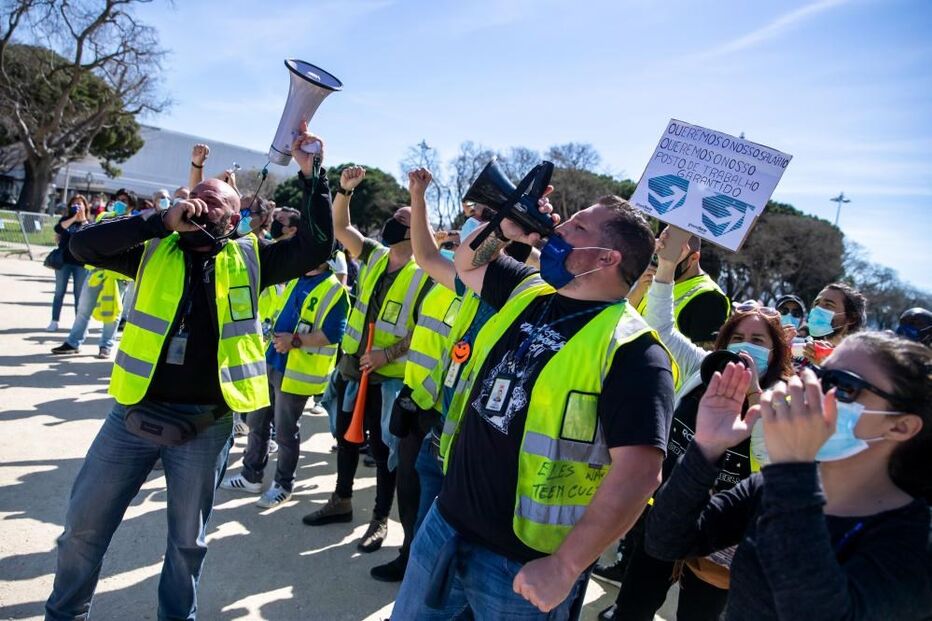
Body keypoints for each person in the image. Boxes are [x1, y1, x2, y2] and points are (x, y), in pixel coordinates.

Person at [44, 127, 333, 621]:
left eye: (215, 200)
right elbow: (81, 246)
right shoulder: (153, 247)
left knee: (186, 544)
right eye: (196, 196)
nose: (201, 203)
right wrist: (158, 220)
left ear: (234, 219)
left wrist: (313, 176)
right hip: (131, 415)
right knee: (82, 530)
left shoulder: (252, 258)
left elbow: (316, 246)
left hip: (206, 425)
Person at [392, 195, 677, 619]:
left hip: (523, 566)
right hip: (447, 524)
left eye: (578, 227)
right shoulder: (529, 290)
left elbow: (640, 474)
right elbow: (467, 264)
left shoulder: (634, 352)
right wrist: (504, 227)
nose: (560, 229)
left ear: (607, 257)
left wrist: (566, 565)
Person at [645, 332, 932, 620]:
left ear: (902, 426)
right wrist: (707, 448)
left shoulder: (914, 539)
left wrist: (793, 471)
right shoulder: (773, 486)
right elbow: (665, 541)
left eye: (843, 385)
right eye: (817, 375)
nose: (814, 392)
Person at [599, 227, 794, 621]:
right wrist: (667, 267)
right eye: (737, 336)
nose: (745, 345)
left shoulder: (782, 401)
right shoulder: (702, 368)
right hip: (666, 511)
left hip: (721, 536)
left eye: (758, 339)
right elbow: (661, 329)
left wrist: (754, 396)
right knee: (633, 605)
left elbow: (772, 464)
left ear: (775, 352)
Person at [303, 165, 431, 556]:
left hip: (388, 378)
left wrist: (385, 355)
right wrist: (345, 191)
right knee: (345, 438)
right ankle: (341, 500)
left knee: (383, 451)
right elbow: (341, 228)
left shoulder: (425, 275)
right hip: (354, 367)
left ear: (415, 231)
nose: (393, 222)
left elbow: (423, 332)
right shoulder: (375, 255)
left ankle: (379, 519)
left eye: (402, 219)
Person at [368, 168, 463, 583]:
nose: (456, 248)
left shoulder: (483, 292)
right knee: (408, 488)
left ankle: (428, 573)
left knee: (436, 500)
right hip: (416, 402)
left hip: (449, 416)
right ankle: (408, 558)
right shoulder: (438, 282)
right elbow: (425, 254)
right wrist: (418, 196)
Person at [221, 257, 349, 507]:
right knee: (257, 423)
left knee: (285, 433)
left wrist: (296, 341)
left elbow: (334, 334)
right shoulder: (296, 280)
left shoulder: (334, 290)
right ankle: (251, 476)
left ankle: (283, 485)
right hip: (272, 361)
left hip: (295, 372)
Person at [51, 208, 131, 358]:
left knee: (112, 313)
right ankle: (73, 343)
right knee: (83, 309)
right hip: (96, 272)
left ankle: (106, 346)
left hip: (117, 277)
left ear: (131, 206)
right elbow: (89, 236)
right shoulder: (105, 217)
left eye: (124, 201)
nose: (119, 203)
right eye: (118, 199)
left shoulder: (134, 224)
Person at [635, 233, 731, 349]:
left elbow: (705, 356)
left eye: (672, 257)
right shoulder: (655, 282)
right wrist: (640, 286)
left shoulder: (709, 297)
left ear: (693, 258)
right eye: (659, 255)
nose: (662, 262)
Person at [48, 195, 91, 331]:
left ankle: (78, 325)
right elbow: (58, 229)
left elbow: (89, 233)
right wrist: (73, 218)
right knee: (59, 292)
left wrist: (82, 219)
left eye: (80, 204)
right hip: (63, 262)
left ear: (85, 206)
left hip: (81, 264)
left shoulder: (88, 222)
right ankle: (54, 321)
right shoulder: (66, 220)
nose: (77, 206)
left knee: (79, 295)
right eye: (74, 204)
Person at [803, 282, 867, 364]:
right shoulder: (807, 350)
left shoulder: (858, 361)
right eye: (816, 303)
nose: (817, 309)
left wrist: (826, 365)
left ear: (851, 318)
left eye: (828, 304)